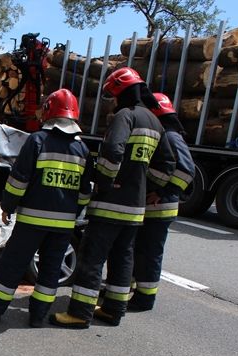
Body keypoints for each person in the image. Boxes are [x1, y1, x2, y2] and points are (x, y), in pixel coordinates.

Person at [50, 67, 176, 329]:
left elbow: (112, 151)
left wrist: (106, 183)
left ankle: (80, 313)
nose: (113, 100)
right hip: (136, 207)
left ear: (119, 91)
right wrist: (149, 187)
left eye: (112, 94)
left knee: (92, 258)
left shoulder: (124, 116)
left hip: (110, 204)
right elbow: (167, 165)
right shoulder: (154, 121)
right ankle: (114, 310)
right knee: (122, 258)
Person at [0, 89, 93, 326]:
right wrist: (72, 214)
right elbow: (85, 191)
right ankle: (38, 317)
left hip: (32, 222)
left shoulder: (37, 140)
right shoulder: (82, 150)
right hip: (64, 225)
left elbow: (19, 180)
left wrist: (7, 205)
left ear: (48, 112)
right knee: (50, 270)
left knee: (12, 265)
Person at [129, 93, 196, 311]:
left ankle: (144, 298)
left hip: (161, 206)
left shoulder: (171, 137)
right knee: (138, 249)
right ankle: (127, 287)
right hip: (152, 205)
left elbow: (187, 170)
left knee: (149, 253)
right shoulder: (165, 134)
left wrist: (163, 192)